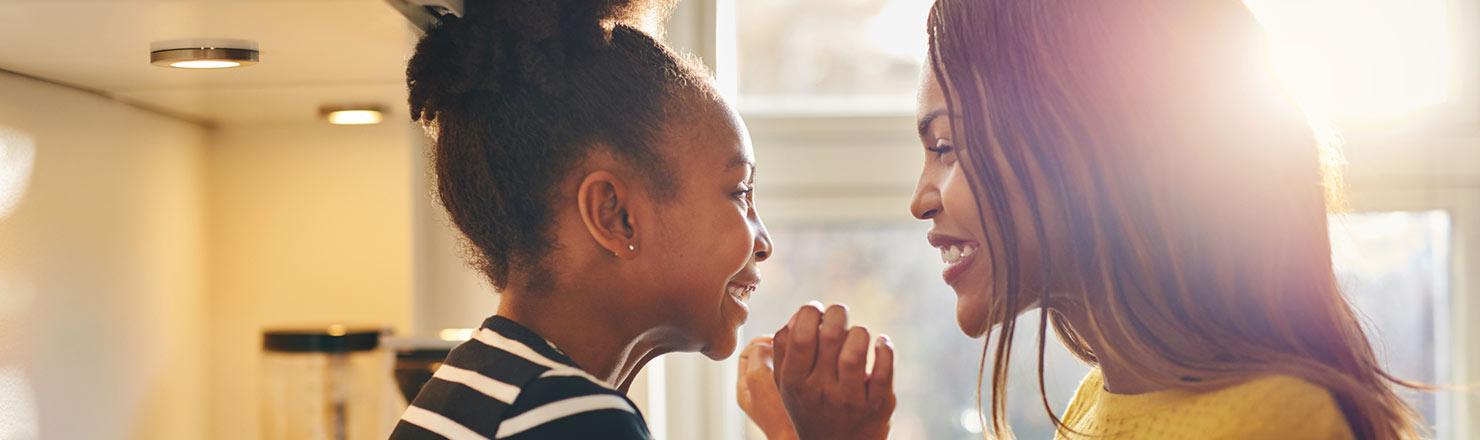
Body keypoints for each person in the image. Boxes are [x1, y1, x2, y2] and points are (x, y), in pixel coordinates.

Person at [740, 1, 1427, 439]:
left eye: (946, 146)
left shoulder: (1274, 424)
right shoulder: (1097, 403)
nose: (921, 197)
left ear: (1085, 147)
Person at [388, 0, 773, 438]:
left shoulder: (465, 389)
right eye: (740, 192)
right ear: (615, 214)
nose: (764, 243)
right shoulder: (574, 419)